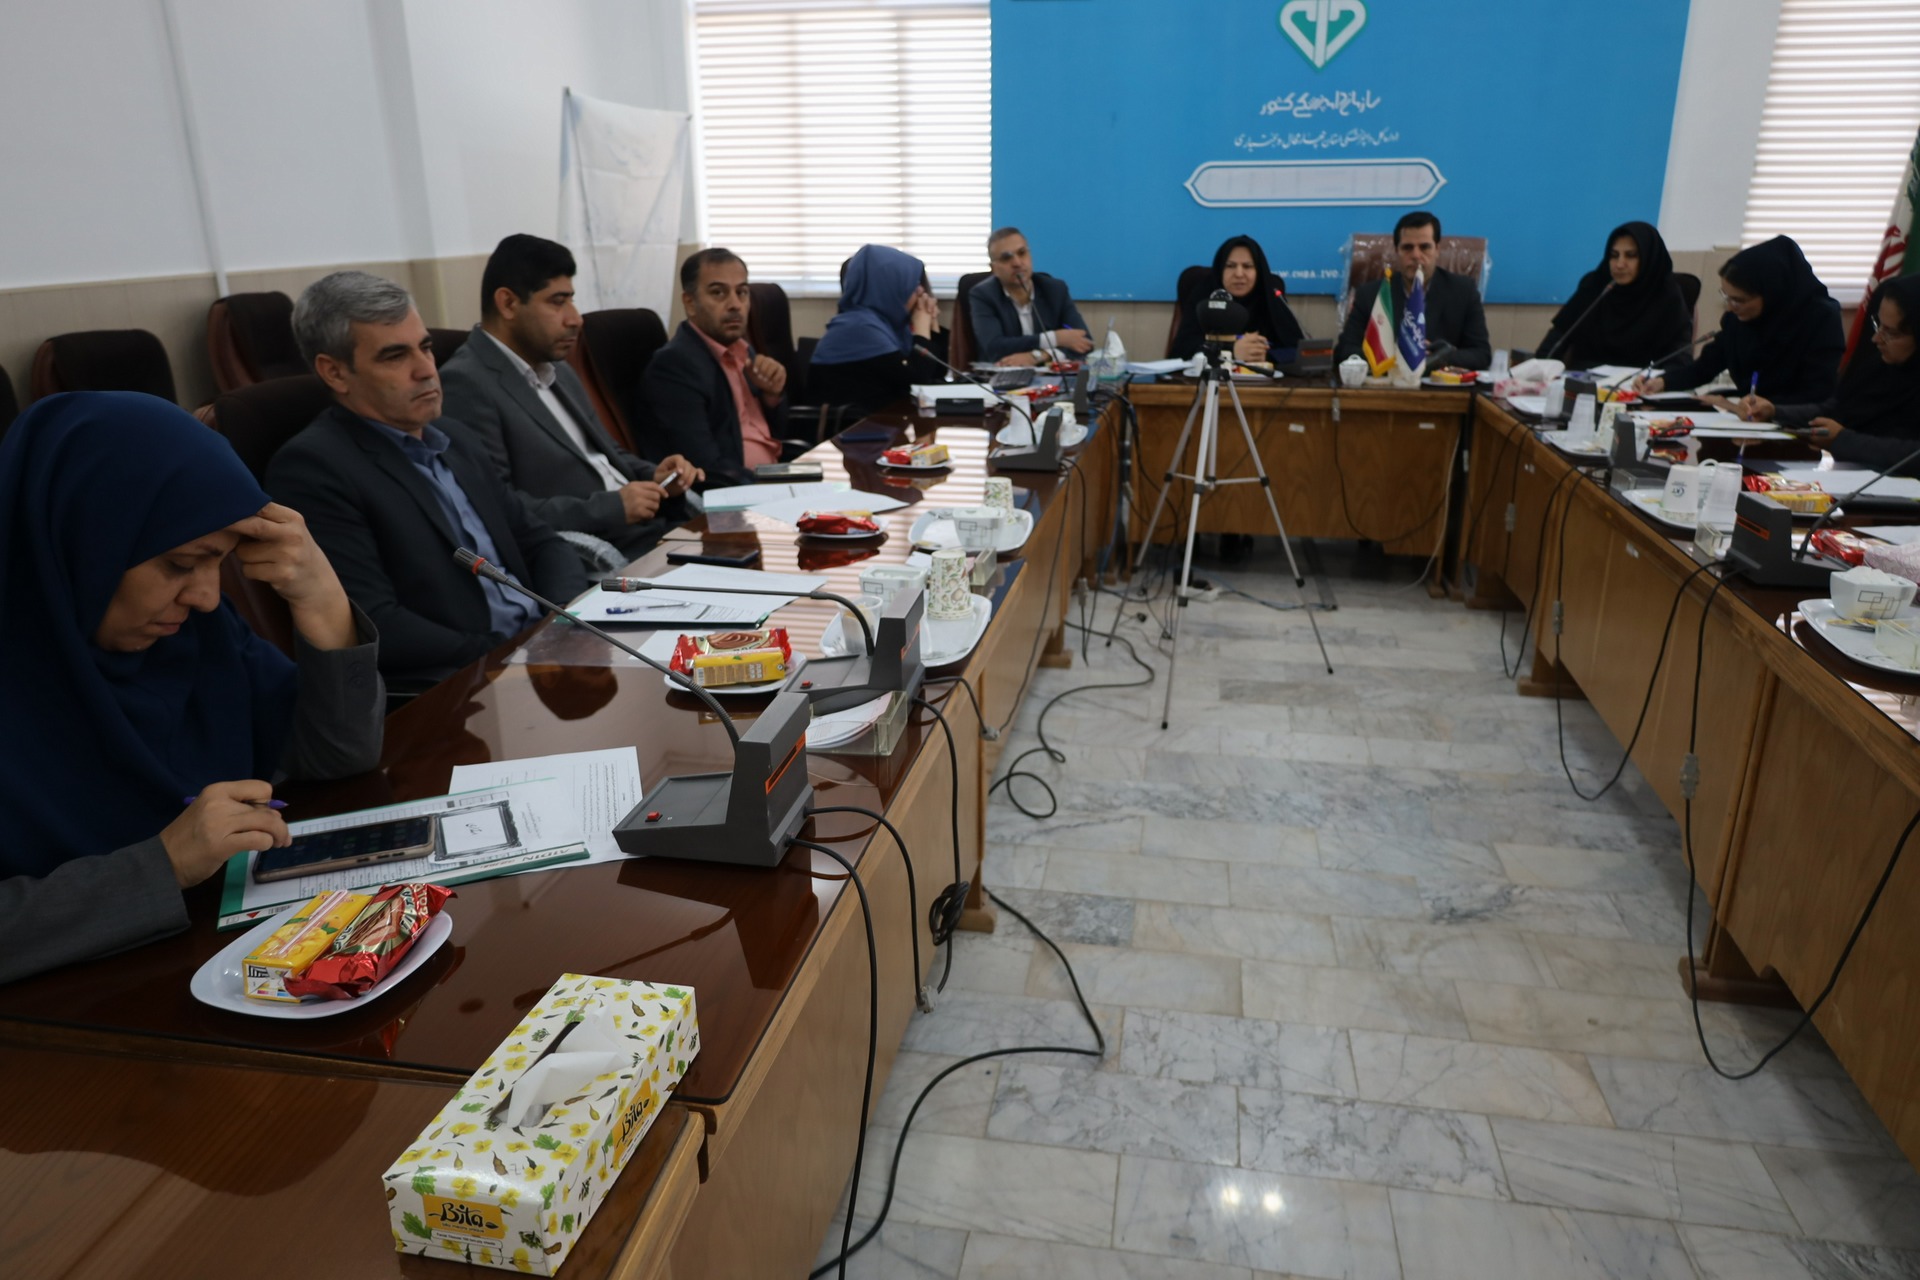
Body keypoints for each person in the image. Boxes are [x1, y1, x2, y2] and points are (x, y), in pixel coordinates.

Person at [0, 392, 384, 984]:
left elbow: (338, 755)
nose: (206, 596)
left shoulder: (196, 636)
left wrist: (323, 598)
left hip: (211, 967)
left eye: (219, 562)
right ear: (84, 540)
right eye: (181, 564)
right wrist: (163, 865)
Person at [268, 271, 588, 693]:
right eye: (394, 356)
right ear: (335, 373)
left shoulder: (455, 437)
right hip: (468, 684)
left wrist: (563, 619)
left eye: (425, 347)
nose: (425, 370)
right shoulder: (314, 468)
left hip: (541, 653)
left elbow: (540, 541)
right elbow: (375, 621)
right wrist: (511, 652)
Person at [438, 235, 697, 562]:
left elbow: (608, 455)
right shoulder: (466, 383)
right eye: (557, 302)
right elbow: (497, 507)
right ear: (508, 304)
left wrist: (656, 476)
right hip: (610, 554)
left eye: (571, 300)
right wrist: (611, 508)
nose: (575, 318)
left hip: (658, 532)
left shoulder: (557, 368)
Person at [638, 247, 796, 488]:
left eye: (742, 292)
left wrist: (771, 397)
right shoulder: (674, 366)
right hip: (738, 492)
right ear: (690, 303)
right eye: (718, 293)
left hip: (772, 475)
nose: (735, 304)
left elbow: (775, 435)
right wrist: (768, 483)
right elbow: (705, 467)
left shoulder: (742, 351)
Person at [1734, 274, 1920, 472]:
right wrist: (1774, 412)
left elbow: (1913, 454)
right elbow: (1837, 410)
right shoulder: (1879, 367)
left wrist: (1843, 440)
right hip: (1849, 476)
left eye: (1890, 332)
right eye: (1878, 324)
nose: (1876, 338)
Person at [1633, 235, 1843, 406]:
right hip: (1743, 418)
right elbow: (1706, 366)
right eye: (1726, 297)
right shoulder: (1738, 320)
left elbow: (1817, 393)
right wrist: (1663, 381)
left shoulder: (1821, 318)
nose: (1730, 307)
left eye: (1739, 300)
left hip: (1796, 424)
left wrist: (1755, 408)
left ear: (1771, 293)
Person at [1335, 211, 1492, 370]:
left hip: (1440, 383)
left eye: (1425, 247)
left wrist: (1440, 357)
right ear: (1397, 251)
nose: (1416, 255)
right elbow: (1344, 351)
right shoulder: (1370, 294)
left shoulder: (1464, 291)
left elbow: (1482, 354)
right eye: (1407, 248)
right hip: (1389, 381)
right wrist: (1392, 356)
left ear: (1437, 250)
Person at [807, 245, 949, 419]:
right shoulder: (858, 327)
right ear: (888, 286)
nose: (921, 291)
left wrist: (932, 324)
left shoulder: (889, 326)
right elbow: (917, 381)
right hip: (852, 430)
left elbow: (937, 374)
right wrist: (921, 328)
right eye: (913, 285)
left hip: (884, 423)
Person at [1537, 221, 1693, 370]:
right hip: (1583, 380)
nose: (1619, 264)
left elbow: (1679, 359)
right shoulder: (1596, 286)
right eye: (1614, 255)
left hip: (1638, 383)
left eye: (1630, 255)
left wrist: (1661, 382)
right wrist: (1540, 370)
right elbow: (1558, 337)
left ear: (1648, 258)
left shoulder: (1666, 295)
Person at [1169, 234, 1306, 364]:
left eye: (1247, 266)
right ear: (1220, 270)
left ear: (1259, 271)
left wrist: (1263, 355)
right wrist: (1231, 350)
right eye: (1230, 266)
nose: (1239, 274)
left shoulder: (1270, 296)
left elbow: (1299, 351)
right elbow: (1181, 351)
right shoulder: (1204, 294)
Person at [968, 228, 1094, 366]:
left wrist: (1040, 356)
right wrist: (1054, 338)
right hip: (1002, 375)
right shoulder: (983, 295)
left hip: (1050, 376)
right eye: (1006, 258)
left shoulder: (1054, 290)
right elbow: (994, 347)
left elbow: (1085, 342)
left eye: (1022, 253)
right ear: (994, 269)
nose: (1017, 263)